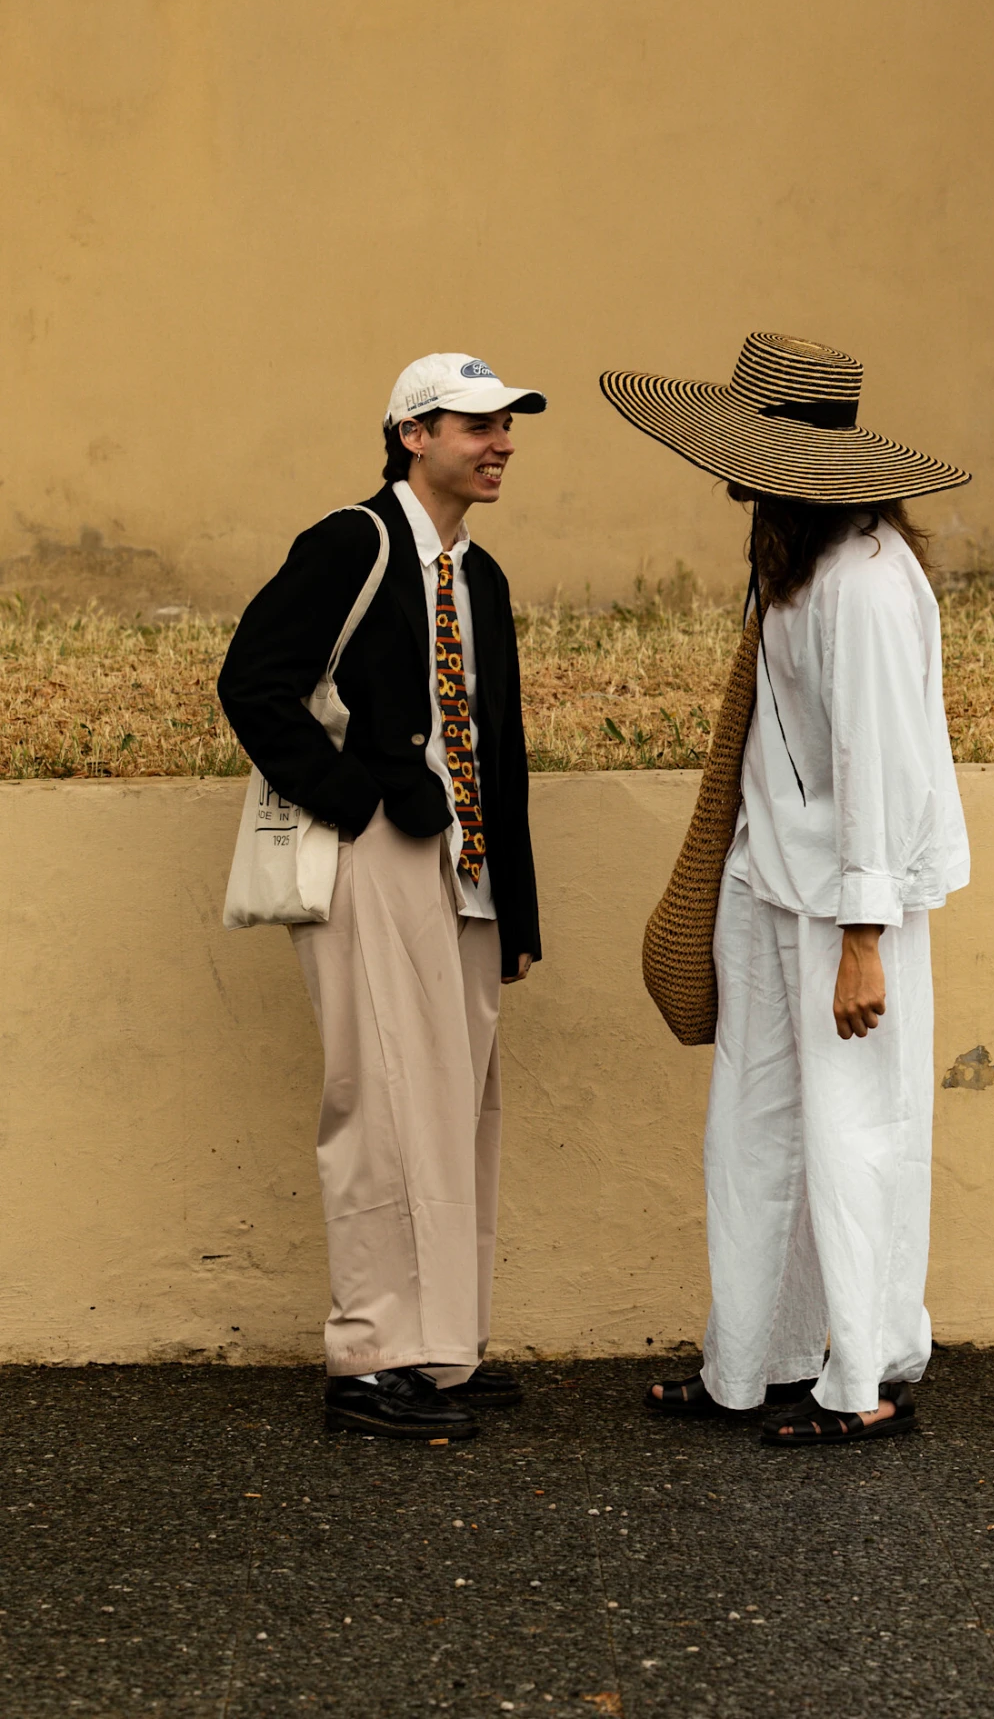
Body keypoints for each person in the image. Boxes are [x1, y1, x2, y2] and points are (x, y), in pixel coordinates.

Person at [600, 332, 970, 1445]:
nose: (727, 473)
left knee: (856, 1132)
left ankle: (859, 1381)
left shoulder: (862, 584)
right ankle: (747, 1364)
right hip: (768, 887)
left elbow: (875, 763)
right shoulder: (797, 566)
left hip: (841, 908)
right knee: (752, 1127)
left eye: (745, 451)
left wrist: (865, 931)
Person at [218, 352, 545, 1441]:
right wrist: (355, 803)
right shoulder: (352, 543)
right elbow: (253, 683)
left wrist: (519, 909)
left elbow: (499, 749)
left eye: (506, 426)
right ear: (412, 433)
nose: (498, 443)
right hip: (380, 853)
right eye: (474, 425)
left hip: (470, 869)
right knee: (383, 1105)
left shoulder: (479, 576)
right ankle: (371, 1359)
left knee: (460, 1109)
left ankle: (443, 1346)